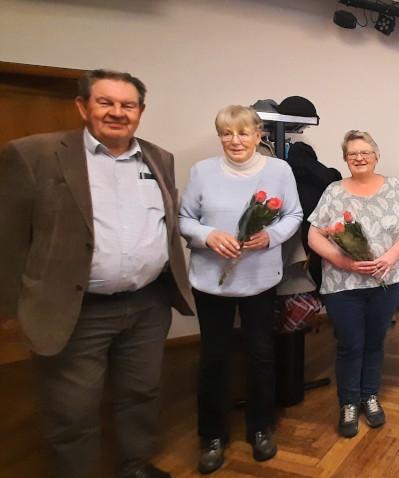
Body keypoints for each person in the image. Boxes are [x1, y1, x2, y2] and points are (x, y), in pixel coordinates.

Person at [0, 69, 193, 478]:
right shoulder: (34, 154)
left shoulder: (159, 158)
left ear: (140, 112)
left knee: (142, 392)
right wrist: (14, 309)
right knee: (72, 410)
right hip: (76, 310)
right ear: (82, 106)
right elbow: (10, 238)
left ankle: (134, 466)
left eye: (128, 105)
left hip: (148, 304)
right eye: (106, 102)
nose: (117, 112)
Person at [179, 105, 303, 474]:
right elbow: (185, 219)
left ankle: (261, 428)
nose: (235, 140)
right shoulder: (201, 171)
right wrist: (208, 236)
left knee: (261, 355)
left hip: (259, 280)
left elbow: (293, 215)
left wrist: (271, 236)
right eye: (227, 133)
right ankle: (212, 435)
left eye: (243, 132)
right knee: (213, 359)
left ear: (258, 134)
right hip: (211, 283)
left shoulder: (279, 170)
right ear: (220, 136)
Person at [308, 130, 399, 437]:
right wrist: (344, 262)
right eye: (352, 154)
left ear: (376, 156)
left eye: (365, 152)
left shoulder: (393, 186)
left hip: (388, 281)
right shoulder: (333, 191)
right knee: (350, 344)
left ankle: (369, 395)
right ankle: (348, 402)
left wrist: (392, 256)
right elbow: (314, 235)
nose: (359, 158)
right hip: (344, 285)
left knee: (375, 341)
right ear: (345, 159)